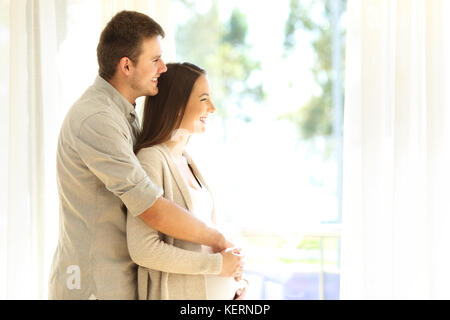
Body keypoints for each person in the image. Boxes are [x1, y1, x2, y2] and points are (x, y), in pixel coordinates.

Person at [48, 10, 242, 300]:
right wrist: (218, 242)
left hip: (118, 281)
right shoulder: (97, 119)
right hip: (93, 285)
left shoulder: (125, 118)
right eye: (155, 59)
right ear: (126, 66)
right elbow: (152, 208)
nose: (163, 68)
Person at [128, 62, 249, 300]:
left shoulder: (186, 159)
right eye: (204, 99)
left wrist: (235, 279)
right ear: (178, 105)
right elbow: (143, 250)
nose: (212, 108)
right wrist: (218, 266)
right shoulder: (151, 159)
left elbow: (207, 233)